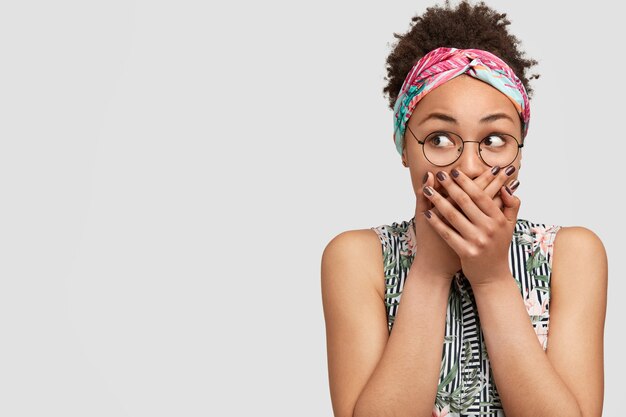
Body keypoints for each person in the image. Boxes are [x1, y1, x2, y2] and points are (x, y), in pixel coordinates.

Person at [320, 1, 607, 416]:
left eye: (493, 140)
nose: (469, 166)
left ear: (520, 151)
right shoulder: (356, 259)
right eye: (439, 138)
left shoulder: (572, 255)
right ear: (405, 148)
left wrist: (491, 278)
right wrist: (431, 271)